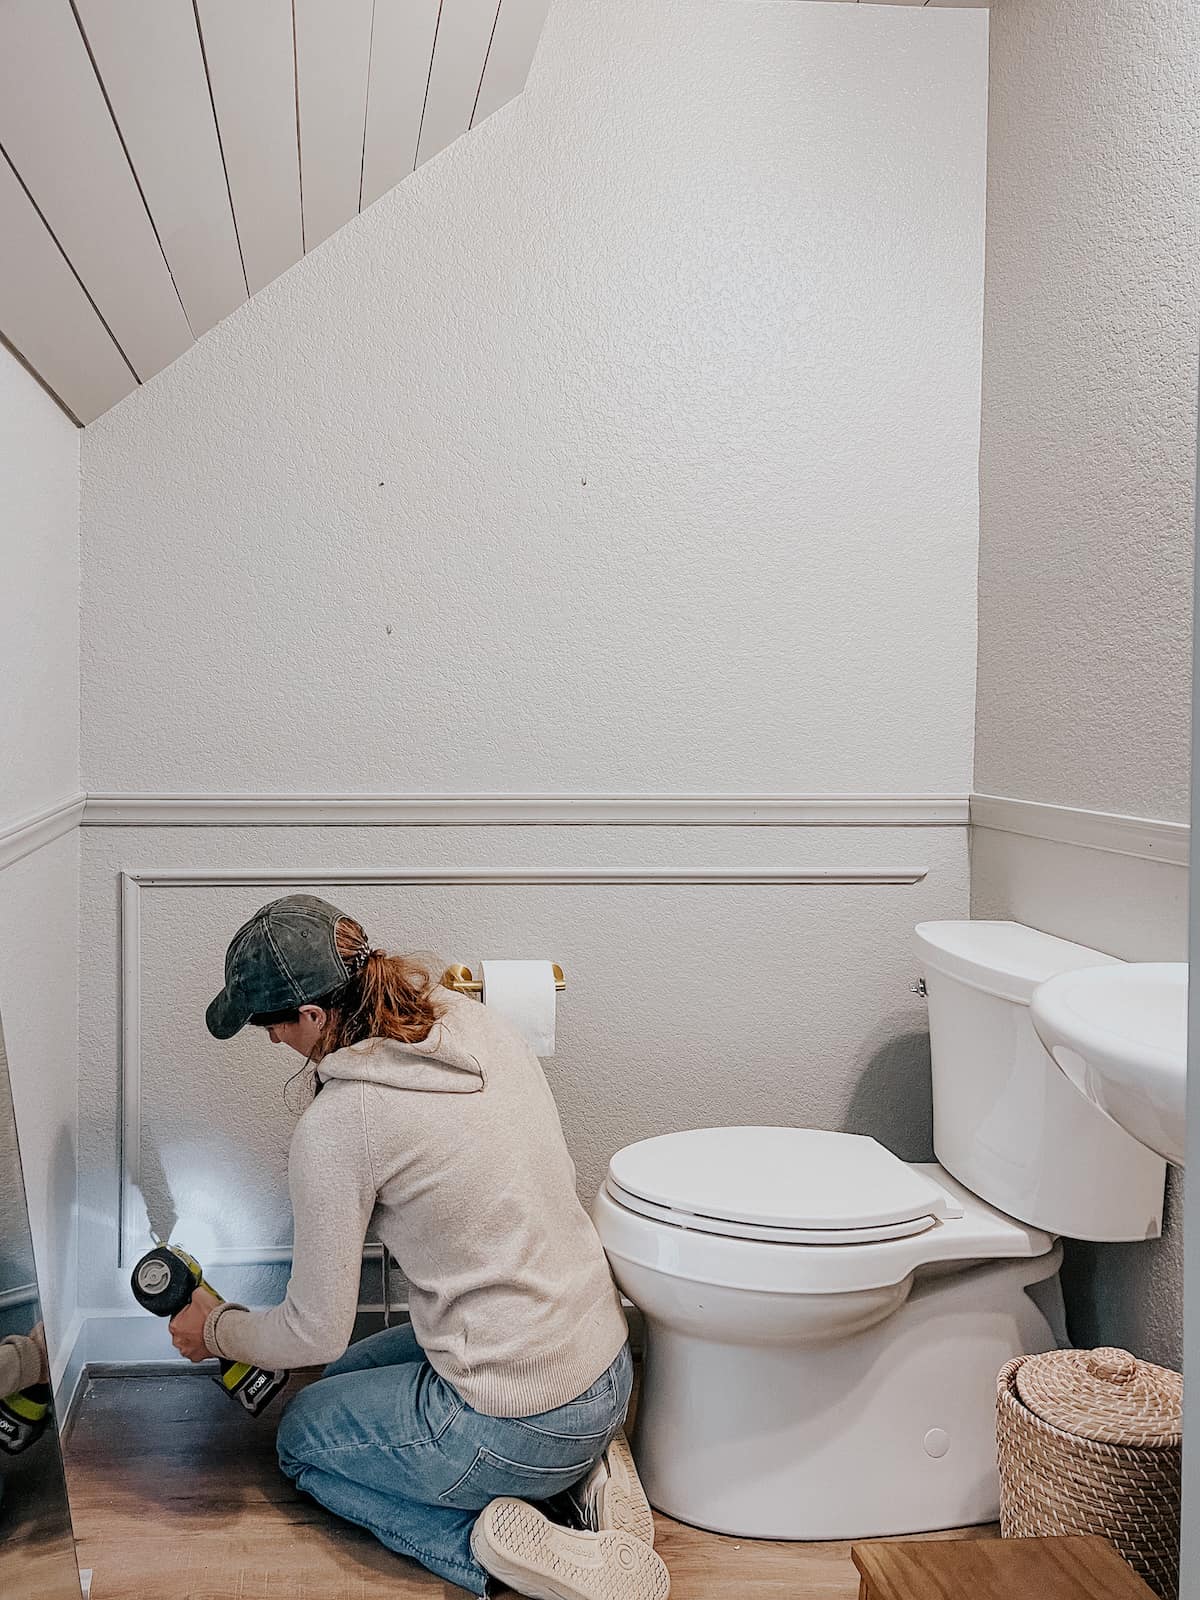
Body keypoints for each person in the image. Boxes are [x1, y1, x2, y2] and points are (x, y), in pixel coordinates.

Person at [168, 895, 669, 1600]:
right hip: (603, 1366)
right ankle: (585, 1477)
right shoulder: (468, 1019)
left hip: (521, 1420)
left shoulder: (342, 1125)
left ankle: (494, 1549)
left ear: (311, 1016)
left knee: (302, 1439)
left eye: (270, 1026)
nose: (273, 1041)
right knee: (342, 1378)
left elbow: (313, 1331)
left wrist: (215, 1331)